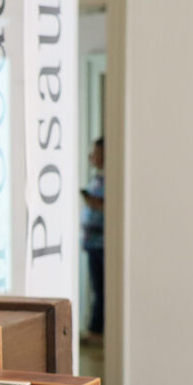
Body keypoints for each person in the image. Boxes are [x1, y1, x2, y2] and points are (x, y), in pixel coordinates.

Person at [81, 138, 104, 342]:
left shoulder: (111, 180)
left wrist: (95, 203)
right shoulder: (96, 179)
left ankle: (97, 331)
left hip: (103, 245)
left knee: (102, 289)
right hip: (92, 244)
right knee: (97, 287)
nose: (91, 156)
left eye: (95, 152)